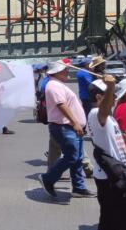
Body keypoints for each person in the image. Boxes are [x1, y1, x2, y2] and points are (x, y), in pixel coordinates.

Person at [87, 77, 126, 230]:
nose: (115, 97)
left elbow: (122, 144)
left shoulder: (109, 118)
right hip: (110, 177)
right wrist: (111, 85)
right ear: (98, 97)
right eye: (111, 94)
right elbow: (104, 110)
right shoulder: (95, 114)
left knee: (111, 219)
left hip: (117, 174)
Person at [38, 60, 95, 198]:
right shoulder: (53, 85)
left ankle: (78, 187)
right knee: (72, 156)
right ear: (57, 72)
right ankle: (48, 178)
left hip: (70, 126)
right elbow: (61, 105)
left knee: (77, 158)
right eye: (64, 69)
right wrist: (75, 122)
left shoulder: (57, 84)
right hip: (64, 126)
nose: (67, 71)